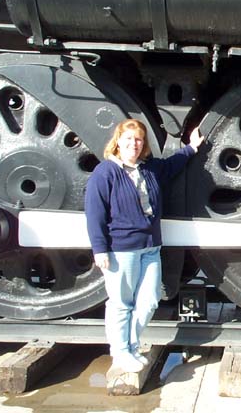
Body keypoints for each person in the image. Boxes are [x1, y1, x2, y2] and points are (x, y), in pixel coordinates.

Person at [85, 118, 204, 373]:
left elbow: (172, 165)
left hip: (150, 247)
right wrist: (99, 249)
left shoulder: (147, 169)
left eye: (138, 140)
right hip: (122, 249)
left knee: (149, 300)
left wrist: (191, 148)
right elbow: (95, 213)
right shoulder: (106, 172)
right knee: (121, 303)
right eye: (128, 139)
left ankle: (131, 345)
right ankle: (120, 352)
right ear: (118, 141)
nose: (134, 144)